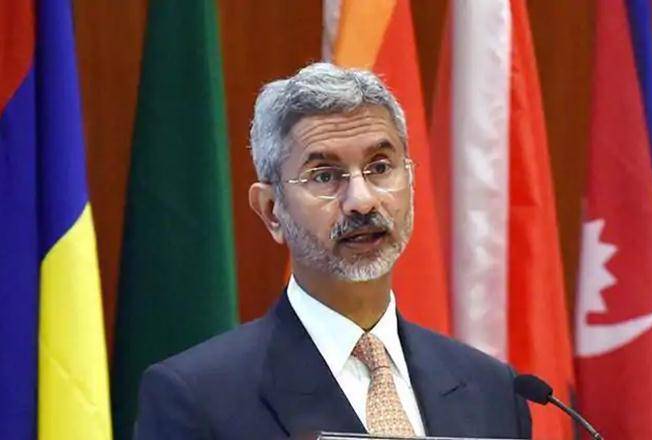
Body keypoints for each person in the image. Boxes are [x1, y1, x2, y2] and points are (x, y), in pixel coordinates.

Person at [134, 63, 531, 439]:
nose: (362, 201)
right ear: (271, 211)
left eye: (380, 167)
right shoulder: (198, 398)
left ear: (410, 181)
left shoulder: (493, 390)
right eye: (324, 176)